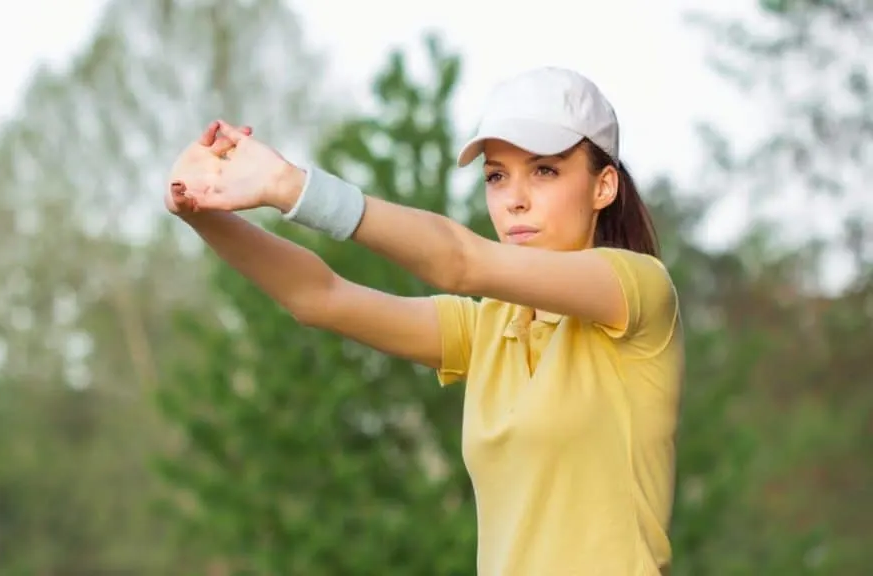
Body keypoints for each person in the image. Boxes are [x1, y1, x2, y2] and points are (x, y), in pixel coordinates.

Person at [167, 67, 684, 575]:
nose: (514, 198)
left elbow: (459, 262)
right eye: (497, 176)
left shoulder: (636, 290)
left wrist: (291, 187)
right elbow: (320, 297)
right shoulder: (491, 329)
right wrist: (205, 213)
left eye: (544, 170)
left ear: (604, 186)